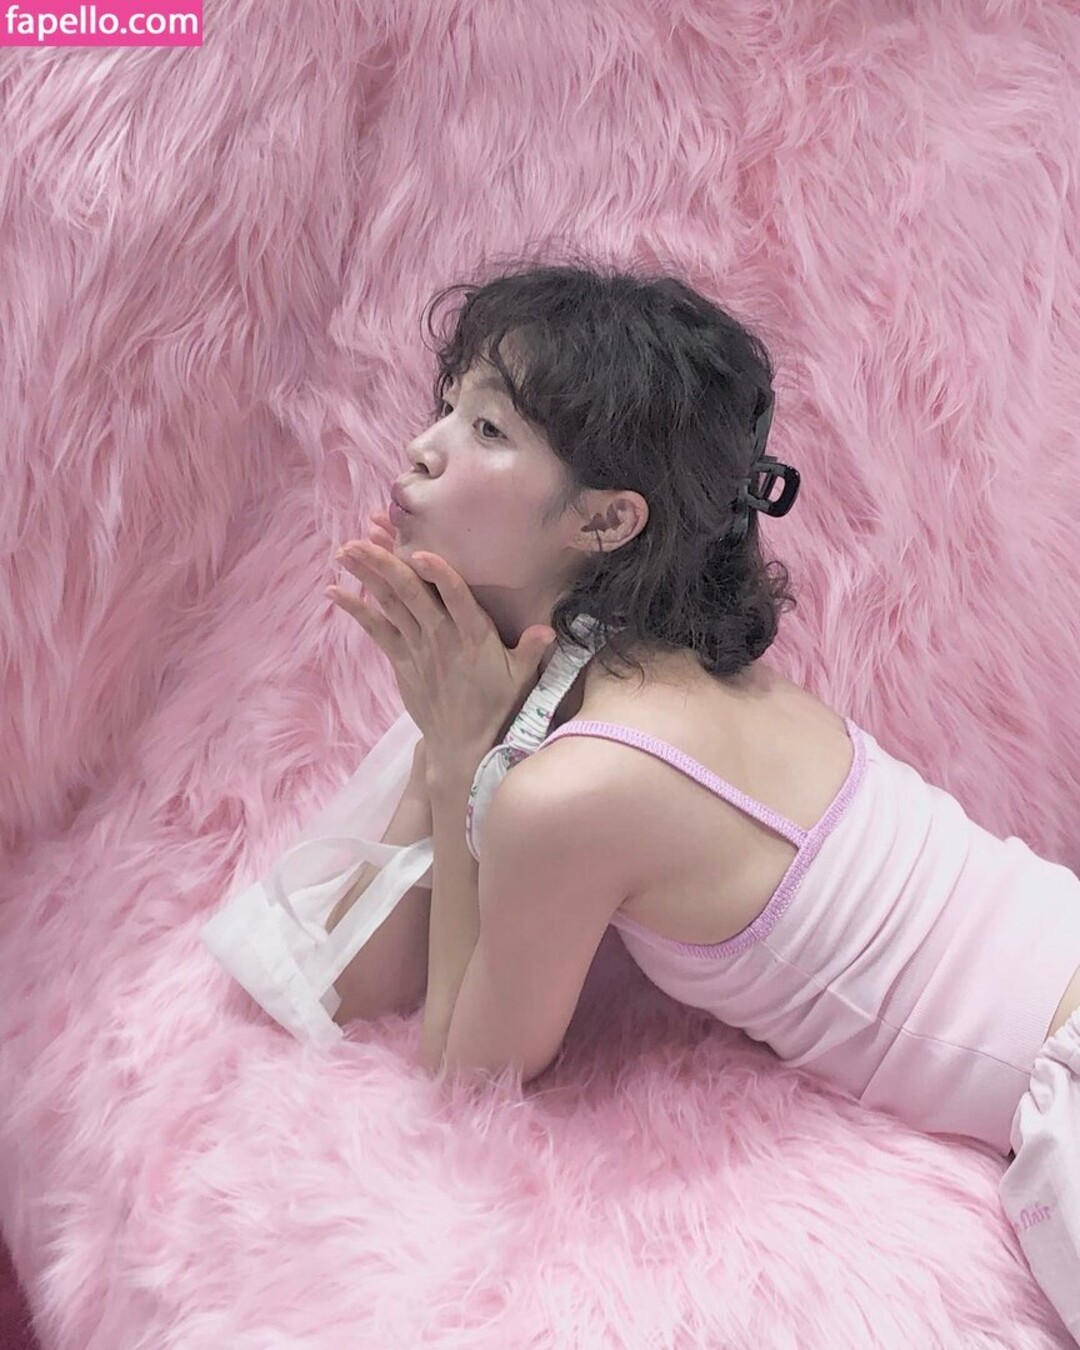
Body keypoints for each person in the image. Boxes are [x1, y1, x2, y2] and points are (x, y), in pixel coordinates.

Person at [203, 255, 1080, 1342]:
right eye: (448, 406)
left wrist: (462, 753)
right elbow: (367, 979)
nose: (423, 446)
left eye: (489, 429)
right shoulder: (603, 674)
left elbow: (467, 1071)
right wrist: (450, 742)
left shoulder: (581, 784)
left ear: (607, 521)